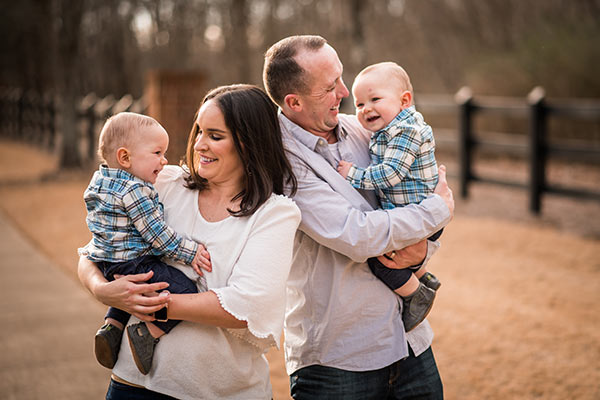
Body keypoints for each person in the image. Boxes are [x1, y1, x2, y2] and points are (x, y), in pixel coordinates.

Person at [78, 84, 301, 399]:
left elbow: (246, 305)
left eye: (215, 136)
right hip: (132, 387)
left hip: (220, 393)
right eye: (199, 132)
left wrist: (155, 305)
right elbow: (94, 251)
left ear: (249, 143)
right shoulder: (164, 182)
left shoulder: (274, 213)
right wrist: (104, 291)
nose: (200, 145)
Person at [263, 35, 454, 399]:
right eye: (330, 86)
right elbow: (359, 236)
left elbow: (410, 190)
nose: (346, 92)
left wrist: (423, 252)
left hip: (408, 339)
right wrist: (437, 211)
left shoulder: (361, 128)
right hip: (341, 360)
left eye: (341, 77)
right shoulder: (282, 163)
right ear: (294, 101)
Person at [78, 112, 212, 375]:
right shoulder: (134, 190)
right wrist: (191, 252)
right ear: (125, 157)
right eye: (157, 153)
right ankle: (146, 332)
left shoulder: (101, 180)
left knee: (128, 291)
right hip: (134, 261)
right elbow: (157, 235)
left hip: (106, 262)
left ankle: (112, 327)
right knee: (185, 290)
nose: (164, 161)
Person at [336, 61, 443, 332]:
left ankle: (415, 296)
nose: (366, 109)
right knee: (394, 253)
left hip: (418, 213)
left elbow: (390, 173)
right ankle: (424, 277)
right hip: (413, 211)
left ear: (404, 100)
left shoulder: (404, 131)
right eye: (359, 104)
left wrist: (352, 174)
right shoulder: (388, 130)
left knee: (381, 260)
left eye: (375, 99)